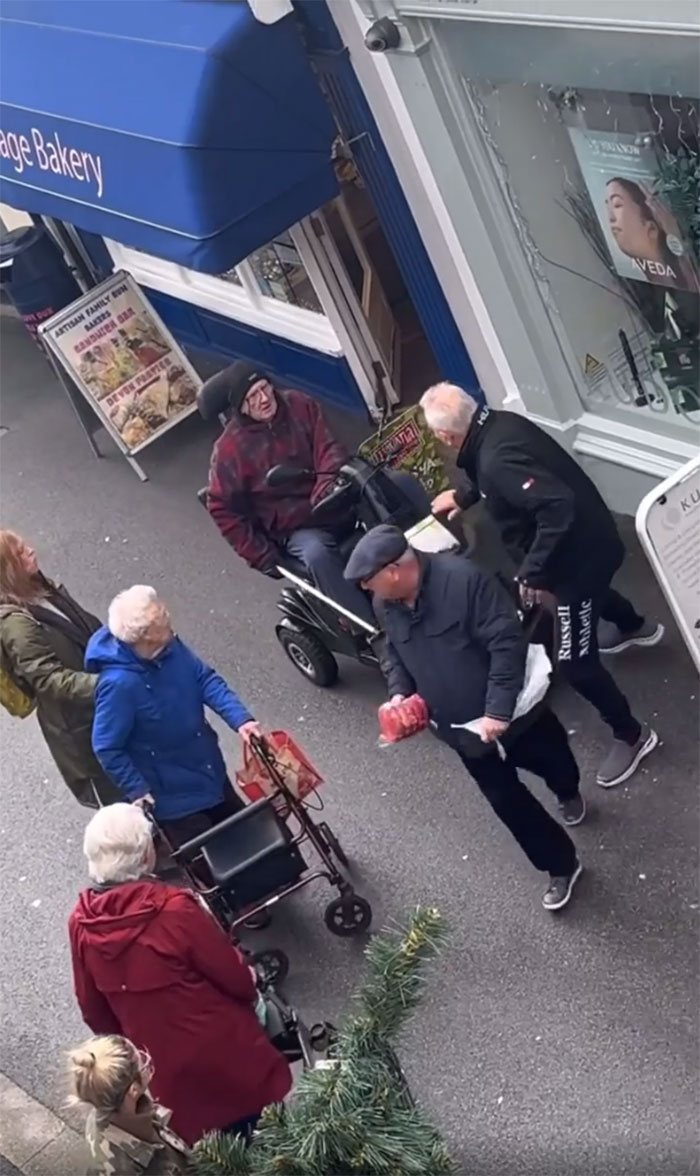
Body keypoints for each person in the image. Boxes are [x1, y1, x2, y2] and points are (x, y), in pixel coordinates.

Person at [422, 383, 662, 789]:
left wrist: (532, 570)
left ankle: (633, 735)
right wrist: (463, 497)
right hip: (592, 543)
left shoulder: (495, 459)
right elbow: (499, 475)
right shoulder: (498, 425)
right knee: (587, 602)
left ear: (447, 436)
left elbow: (556, 506)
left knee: (575, 662)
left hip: (576, 562)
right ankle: (634, 626)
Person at [345, 525, 584, 912]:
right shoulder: (385, 604)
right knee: (507, 801)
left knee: (552, 758)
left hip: (514, 716)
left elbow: (506, 643)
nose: (368, 591)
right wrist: (398, 694)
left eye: (369, 582)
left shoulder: (465, 581)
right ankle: (560, 865)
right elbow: (394, 653)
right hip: (462, 732)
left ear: (393, 571)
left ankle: (567, 789)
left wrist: (497, 711)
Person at [69, 803, 292, 1145]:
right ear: (146, 855)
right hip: (227, 1055)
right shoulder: (173, 910)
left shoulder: (82, 926)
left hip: (164, 1073)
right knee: (268, 1135)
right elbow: (234, 979)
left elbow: (94, 1012)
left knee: (212, 1150)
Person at [201, 361, 429, 626]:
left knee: (400, 484)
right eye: (253, 397)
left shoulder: (299, 404)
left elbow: (328, 446)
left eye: (265, 388)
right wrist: (260, 555)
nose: (264, 399)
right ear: (240, 407)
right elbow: (222, 508)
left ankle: (432, 561)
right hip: (297, 525)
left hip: (334, 494)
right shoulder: (229, 452)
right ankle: (372, 630)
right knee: (317, 555)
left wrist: (327, 486)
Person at [85, 585, 260, 845]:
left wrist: (241, 720)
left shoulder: (166, 644)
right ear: (141, 639)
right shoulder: (118, 686)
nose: (171, 635)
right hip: (174, 796)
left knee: (245, 831)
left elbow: (203, 678)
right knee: (213, 854)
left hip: (207, 767)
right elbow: (106, 746)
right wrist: (137, 789)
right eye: (161, 634)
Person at [0, 530, 120, 807]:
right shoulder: (16, 624)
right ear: (7, 571)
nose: (31, 550)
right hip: (85, 725)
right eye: (20, 553)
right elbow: (48, 680)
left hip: (103, 704)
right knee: (128, 806)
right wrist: (109, 684)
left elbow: (86, 631)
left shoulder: (40, 588)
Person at [68, 1034, 190, 1175]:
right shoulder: (122, 1169)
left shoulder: (104, 1105)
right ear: (133, 1089)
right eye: (143, 1065)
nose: (146, 1064)